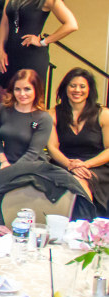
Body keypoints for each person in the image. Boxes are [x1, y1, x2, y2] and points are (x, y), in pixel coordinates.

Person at [0, 0, 77, 87]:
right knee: (6, 97)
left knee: (29, 98)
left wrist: (43, 41)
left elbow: (71, 24)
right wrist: (0, 49)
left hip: (31, 57)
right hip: (9, 54)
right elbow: (5, 22)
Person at [49, 68, 109, 210]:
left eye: (82, 86)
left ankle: (84, 219)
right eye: (73, 86)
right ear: (65, 88)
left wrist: (85, 165)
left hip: (96, 165)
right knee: (71, 180)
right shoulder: (52, 114)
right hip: (63, 164)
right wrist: (70, 165)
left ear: (89, 90)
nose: (77, 90)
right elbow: (52, 148)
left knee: (79, 180)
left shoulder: (103, 114)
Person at [0, 69, 51, 169]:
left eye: (27, 89)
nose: (22, 94)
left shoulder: (44, 118)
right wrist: (3, 161)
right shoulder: (3, 109)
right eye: (17, 89)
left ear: (36, 90)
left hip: (32, 166)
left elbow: (33, 153)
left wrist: (12, 170)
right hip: (5, 163)